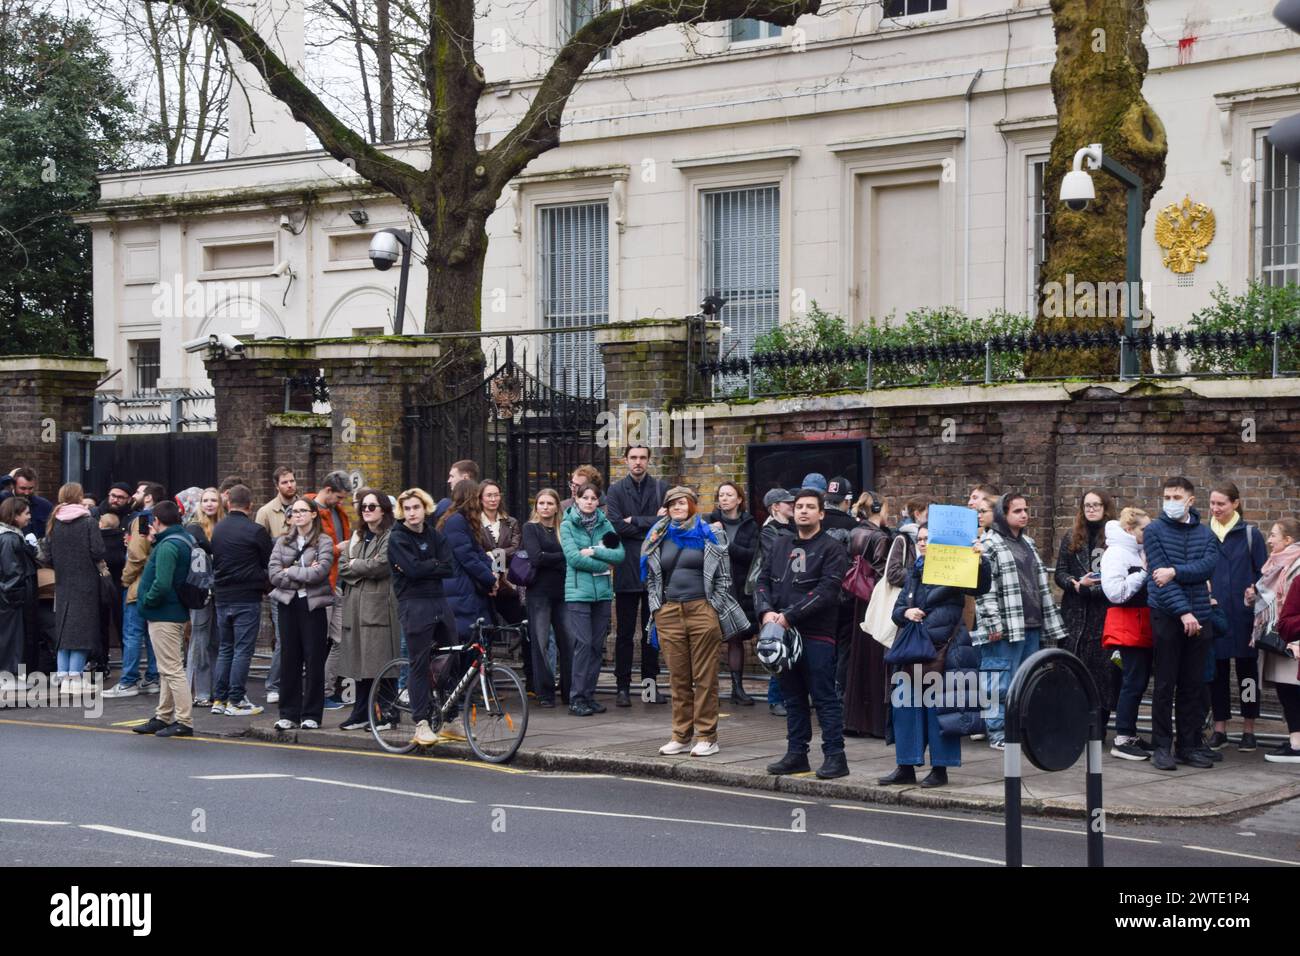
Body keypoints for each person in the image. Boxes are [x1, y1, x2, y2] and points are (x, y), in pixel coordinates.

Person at [879, 523, 990, 788]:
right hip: (913, 651)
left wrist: (979, 560)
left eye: (928, 538)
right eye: (919, 538)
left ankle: (940, 770)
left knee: (941, 712)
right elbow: (896, 611)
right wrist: (907, 613)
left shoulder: (954, 571)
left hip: (945, 652)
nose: (922, 542)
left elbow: (980, 586)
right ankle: (905, 765)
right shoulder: (913, 573)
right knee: (905, 710)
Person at [643, 486, 750, 756]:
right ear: (666, 509)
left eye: (684, 503)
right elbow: (653, 576)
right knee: (678, 678)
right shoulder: (658, 534)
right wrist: (658, 608)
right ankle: (680, 735)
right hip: (669, 612)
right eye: (673, 504)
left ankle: (707, 737)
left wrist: (713, 607)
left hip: (702, 609)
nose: (678, 508)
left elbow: (724, 577)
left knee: (704, 677)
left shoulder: (710, 532)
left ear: (693, 506)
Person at [756, 489, 851, 779]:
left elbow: (826, 592)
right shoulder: (780, 545)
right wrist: (766, 612)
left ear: (821, 513)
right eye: (799, 507)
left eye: (810, 507)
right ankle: (797, 754)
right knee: (792, 696)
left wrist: (789, 616)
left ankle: (836, 757)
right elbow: (761, 581)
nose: (803, 511)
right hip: (781, 632)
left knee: (823, 697)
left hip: (816, 634)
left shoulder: (832, 548)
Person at [974, 492, 1068, 750]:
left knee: (1026, 681)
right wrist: (992, 622)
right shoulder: (989, 544)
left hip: (1031, 624)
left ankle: (1018, 730)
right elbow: (983, 588)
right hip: (1004, 627)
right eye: (1017, 511)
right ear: (1004, 514)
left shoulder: (1028, 542)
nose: (1024, 514)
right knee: (997, 680)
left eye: (1026, 510)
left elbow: (1040, 585)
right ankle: (997, 732)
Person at [1143, 476, 1220, 771]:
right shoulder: (1154, 531)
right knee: (1165, 683)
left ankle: (1188, 744)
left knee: (1192, 683)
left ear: (1190, 500)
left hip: (1200, 615)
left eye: (1176, 497)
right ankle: (1162, 746)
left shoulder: (1205, 533)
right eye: (1167, 496)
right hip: (1168, 615)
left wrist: (1175, 571)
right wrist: (1184, 612)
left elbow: (1207, 567)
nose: (1170, 502)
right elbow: (1160, 581)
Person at [388, 487, 456, 746]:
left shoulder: (435, 535)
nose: (412, 513)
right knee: (419, 662)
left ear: (425, 508)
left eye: (416, 507)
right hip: (413, 604)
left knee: (451, 657)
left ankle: (450, 719)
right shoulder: (398, 538)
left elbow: (448, 567)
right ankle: (421, 723)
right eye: (407, 509)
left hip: (439, 601)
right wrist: (431, 566)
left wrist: (424, 567)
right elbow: (413, 571)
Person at [1205, 481, 1268, 753]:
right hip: (1215, 614)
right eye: (1212, 503)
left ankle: (1249, 728)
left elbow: (1264, 574)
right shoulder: (1204, 534)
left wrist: (1254, 589)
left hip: (1244, 616)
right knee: (1217, 673)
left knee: (1247, 675)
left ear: (1235, 503)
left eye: (1221, 503)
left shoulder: (1251, 535)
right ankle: (1219, 728)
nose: (1215, 508)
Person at [605, 445, 668, 707]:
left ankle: (650, 689)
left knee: (652, 633)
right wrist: (650, 522)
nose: (638, 462)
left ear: (649, 460)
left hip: (655, 569)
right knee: (625, 634)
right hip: (627, 569)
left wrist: (635, 521)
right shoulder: (616, 490)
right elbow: (615, 526)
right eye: (633, 458)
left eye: (642, 458)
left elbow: (666, 525)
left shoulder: (661, 488)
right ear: (626, 461)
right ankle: (622, 688)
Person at [337, 489, 402, 731]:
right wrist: (360, 568)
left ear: (384, 510)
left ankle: (388, 712)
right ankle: (361, 711)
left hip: (379, 607)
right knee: (360, 662)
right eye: (364, 506)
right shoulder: (359, 535)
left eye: (372, 506)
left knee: (381, 661)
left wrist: (357, 566)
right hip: (355, 606)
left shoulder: (391, 535)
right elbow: (343, 566)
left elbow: (381, 566)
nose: (366, 510)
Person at [130, 501, 196, 738]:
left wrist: (146, 600)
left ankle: (184, 720)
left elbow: (163, 582)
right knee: (169, 668)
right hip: (174, 613)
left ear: (157, 521)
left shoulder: (168, 546)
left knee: (172, 669)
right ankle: (163, 716)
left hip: (164, 614)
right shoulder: (183, 539)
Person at [1055, 489, 1119, 733]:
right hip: (1074, 614)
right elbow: (1060, 572)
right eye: (1087, 505)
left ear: (1105, 508)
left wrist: (1091, 590)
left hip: (1103, 614)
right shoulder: (1071, 537)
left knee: (1102, 674)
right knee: (1073, 670)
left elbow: (1116, 577)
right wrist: (1075, 584)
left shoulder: (1113, 540)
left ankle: (1098, 728)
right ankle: (1073, 726)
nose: (1091, 509)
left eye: (1096, 505)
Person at [268, 497, 334, 731]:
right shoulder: (282, 542)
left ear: (314, 514)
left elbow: (321, 572)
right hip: (288, 605)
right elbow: (274, 575)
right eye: (293, 511)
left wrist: (291, 571)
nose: (297, 515)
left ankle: (312, 715)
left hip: (313, 606)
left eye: (302, 511)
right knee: (289, 659)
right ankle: (288, 714)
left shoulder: (324, 541)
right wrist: (304, 571)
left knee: (314, 659)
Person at [560, 483, 624, 716]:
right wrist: (602, 563)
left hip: (603, 593)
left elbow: (619, 554)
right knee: (583, 645)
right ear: (576, 499)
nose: (589, 501)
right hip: (578, 593)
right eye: (584, 497)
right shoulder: (567, 525)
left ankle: (589, 695)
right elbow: (574, 558)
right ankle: (576, 698)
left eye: (593, 498)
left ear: (598, 502)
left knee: (597, 647)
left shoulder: (605, 524)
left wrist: (595, 551)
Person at [209, 484, 271, 717]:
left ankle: (219, 699)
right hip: (247, 597)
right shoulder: (255, 531)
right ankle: (236, 700)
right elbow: (268, 563)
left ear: (228, 503)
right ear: (250, 505)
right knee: (243, 650)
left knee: (226, 648)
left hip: (222, 597)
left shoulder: (218, 529)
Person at [1102, 507, 1155, 760]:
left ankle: (1129, 734)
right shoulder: (1116, 553)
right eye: (1144, 528)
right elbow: (1114, 592)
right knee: (1132, 681)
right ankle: (1122, 738)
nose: (1149, 532)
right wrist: (1143, 574)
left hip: (1140, 624)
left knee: (1138, 681)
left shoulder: (1138, 550)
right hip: (1127, 624)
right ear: (1129, 529)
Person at [104, 482, 165, 698]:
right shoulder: (163, 519)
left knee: (132, 634)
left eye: (139, 492)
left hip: (138, 585)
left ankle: (128, 681)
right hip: (157, 585)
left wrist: (125, 579)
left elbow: (137, 555)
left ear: (148, 498)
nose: (135, 496)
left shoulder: (142, 519)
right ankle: (152, 678)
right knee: (151, 635)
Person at [42, 483, 104, 693]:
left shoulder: (54, 521)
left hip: (62, 582)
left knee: (64, 630)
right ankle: (75, 679)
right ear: (79, 497)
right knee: (82, 631)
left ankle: (62, 676)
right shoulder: (88, 521)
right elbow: (97, 551)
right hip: (85, 582)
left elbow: (47, 556)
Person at [844, 490, 894, 737]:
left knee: (858, 660)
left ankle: (855, 720)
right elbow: (885, 574)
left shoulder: (854, 532)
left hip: (857, 601)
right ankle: (876, 722)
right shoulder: (880, 537)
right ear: (877, 508)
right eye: (885, 508)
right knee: (876, 660)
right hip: (875, 600)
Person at [704, 481, 758, 705]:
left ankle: (738, 688)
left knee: (736, 639)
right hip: (714, 586)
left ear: (739, 499)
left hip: (739, 586)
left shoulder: (750, 524)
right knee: (709, 640)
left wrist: (726, 545)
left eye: (729, 495)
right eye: (721, 495)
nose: (724, 498)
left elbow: (753, 554)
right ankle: (709, 691)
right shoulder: (707, 522)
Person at [307, 471, 354, 710]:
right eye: (339, 496)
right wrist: (338, 549)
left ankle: (325, 691)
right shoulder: (308, 511)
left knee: (339, 640)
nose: (341, 502)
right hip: (321, 585)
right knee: (319, 640)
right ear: (326, 490)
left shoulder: (338, 513)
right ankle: (317, 694)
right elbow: (310, 551)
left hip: (338, 583)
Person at [1256, 518, 1300, 762]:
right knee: (1288, 690)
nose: (1269, 540)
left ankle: (1297, 744)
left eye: (1274, 535)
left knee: (1291, 690)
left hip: (1292, 640)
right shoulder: (1277, 564)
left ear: (1288, 540)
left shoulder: (1296, 564)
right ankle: (1296, 739)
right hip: (1281, 636)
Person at [523, 488, 572, 707]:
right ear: (536, 507)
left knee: (568, 642)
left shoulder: (565, 528)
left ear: (556, 507)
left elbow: (570, 555)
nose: (545, 507)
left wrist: (552, 558)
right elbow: (535, 558)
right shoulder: (530, 528)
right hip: (539, 593)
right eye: (541, 503)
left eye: (550, 503)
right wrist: (562, 557)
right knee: (541, 643)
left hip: (563, 592)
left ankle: (569, 691)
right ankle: (545, 692)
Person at [256, 466, 298, 705]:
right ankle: (273, 684)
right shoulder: (265, 512)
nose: (290, 485)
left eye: (292, 481)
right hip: (278, 585)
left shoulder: (304, 507)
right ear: (277, 485)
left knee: (295, 636)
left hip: (302, 583)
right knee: (283, 637)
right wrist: (269, 584)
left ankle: (291, 682)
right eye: (285, 482)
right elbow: (259, 550)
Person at [479, 479, 527, 686]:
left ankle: (532, 680)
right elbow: (475, 550)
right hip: (483, 586)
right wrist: (493, 557)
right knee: (485, 634)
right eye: (488, 495)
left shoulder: (510, 522)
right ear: (480, 498)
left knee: (525, 627)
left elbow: (516, 548)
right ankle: (484, 683)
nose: (493, 499)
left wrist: (494, 554)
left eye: (496, 494)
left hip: (508, 587)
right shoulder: (474, 522)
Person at [435, 479, 497, 641]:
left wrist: (494, 571)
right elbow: (468, 558)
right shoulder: (456, 521)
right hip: (460, 589)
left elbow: (478, 551)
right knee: (467, 638)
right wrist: (490, 579)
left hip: (464, 588)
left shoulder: (462, 520)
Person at [753, 487, 795, 716]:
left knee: (791, 645)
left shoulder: (790, 529)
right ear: (775, 506)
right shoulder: (769, 531)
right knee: (776, 644)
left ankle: (789, 696)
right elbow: (777, 558)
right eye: (787, 502)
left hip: (792, 593)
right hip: (775, 594)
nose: (792, 505)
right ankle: (775, 698)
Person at [184, 488, 224, 707]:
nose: (209, 504)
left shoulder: (223, 525)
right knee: (199, 640)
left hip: (221, 588)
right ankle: (198, 692)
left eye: (213, 500)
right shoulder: (194, 527)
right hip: (200, 590)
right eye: (205, 500)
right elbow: (206, 548)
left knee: (218, 641)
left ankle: (216, 690)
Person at [0, 496, 38, 689]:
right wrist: (17, 597)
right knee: (12, 638)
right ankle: (9, 676)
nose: (29, 517)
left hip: (10, 598)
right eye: (26, 513)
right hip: (11, 599)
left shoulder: (11, 537)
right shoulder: (10, 538)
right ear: (14, 516)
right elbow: (11, 572)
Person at [11, 468, 53, 539]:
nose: (27, 492)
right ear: (13, 486)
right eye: (23, 488)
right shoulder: (5, 504)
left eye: (30, 488)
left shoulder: (45, 506)